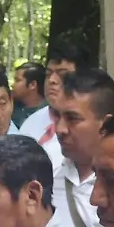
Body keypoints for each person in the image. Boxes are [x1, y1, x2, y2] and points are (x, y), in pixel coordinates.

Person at [53, 69, 114, 227]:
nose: (60, 129)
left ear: (106, 124)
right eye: (57, 116)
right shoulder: (48, 175)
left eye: (72, 119)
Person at [19, 43, 91, 173]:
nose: (52, 80)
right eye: (48, 74)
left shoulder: (92, 122)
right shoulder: (31, 124)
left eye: (62, 74)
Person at [12, 61, 47, 128]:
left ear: (32, 85)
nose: (12, 85)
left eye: (17, 80)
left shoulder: (50, 113)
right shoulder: (12, 107)